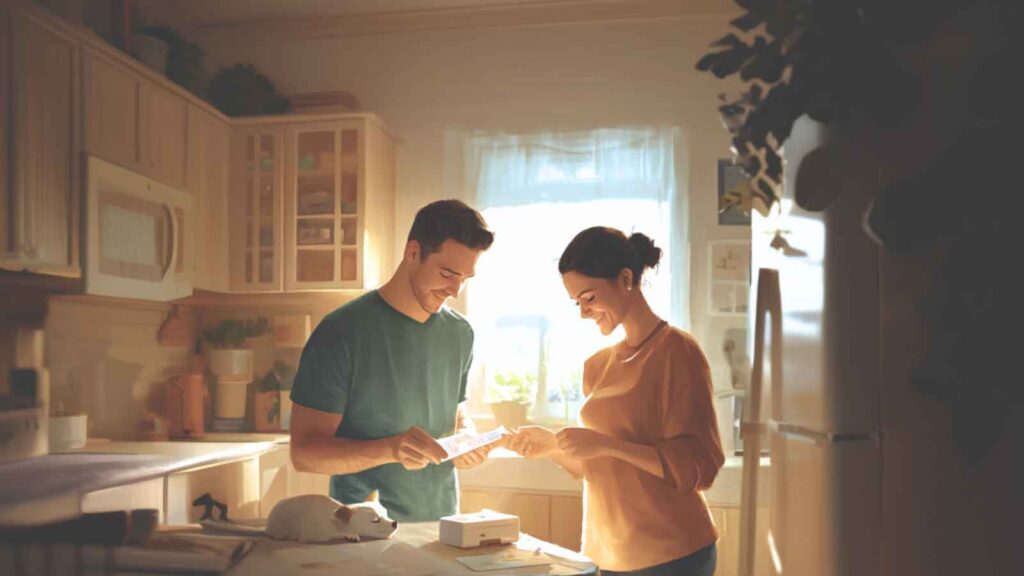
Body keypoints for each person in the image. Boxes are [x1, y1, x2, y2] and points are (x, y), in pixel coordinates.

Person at [509, 226, 724, 576]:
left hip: (673, 553)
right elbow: (602, 468)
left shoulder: (678, 352)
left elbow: (701, 464)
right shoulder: (598, 365)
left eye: (589, 298)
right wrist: (552, 446)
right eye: (576, 302)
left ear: (625, 279)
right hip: (606, 553)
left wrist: (609, 445)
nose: (583, 312)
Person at [288, 199, 497, 522]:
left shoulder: (460, 333)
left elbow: (455, 416)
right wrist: (390, 449)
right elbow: (304, 454)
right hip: (360, 533)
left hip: (442, 527)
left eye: (465, 278)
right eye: (447, 274)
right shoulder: (341, 332)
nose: (455, 290)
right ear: (413, 253)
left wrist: (467, 438)